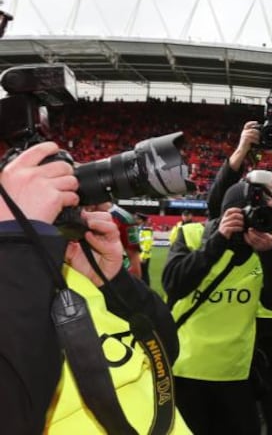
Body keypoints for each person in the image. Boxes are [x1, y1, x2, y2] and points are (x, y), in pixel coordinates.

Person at [0, 141, 186, 433]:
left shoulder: (78, 268)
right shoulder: (15, 278)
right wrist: (17, 240)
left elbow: (167, 350)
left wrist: (114, 281)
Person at [163, 168, 272, 434]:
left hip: (236, 373)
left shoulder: (267, 246)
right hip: (187, 368)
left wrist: (269, 255)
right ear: (226, 213)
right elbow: (174, 283)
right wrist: (218, 240)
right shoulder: (192, 234)